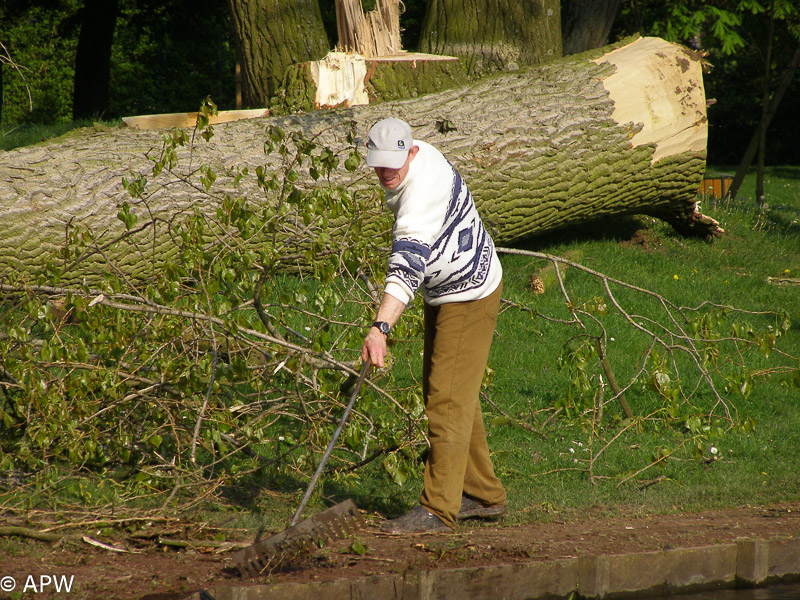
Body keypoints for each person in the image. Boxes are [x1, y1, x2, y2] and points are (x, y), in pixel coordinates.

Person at [360, 117, 507, 533]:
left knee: (446, 399)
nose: (386, 172)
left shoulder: (424, 186)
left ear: (411, 152)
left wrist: (380, 328)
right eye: (378, 163)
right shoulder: (409, 164)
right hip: (446, 288)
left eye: (394, 163)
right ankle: (482, 493)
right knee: (451, 391)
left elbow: (407, 263)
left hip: (470, 291)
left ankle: (439, 508)